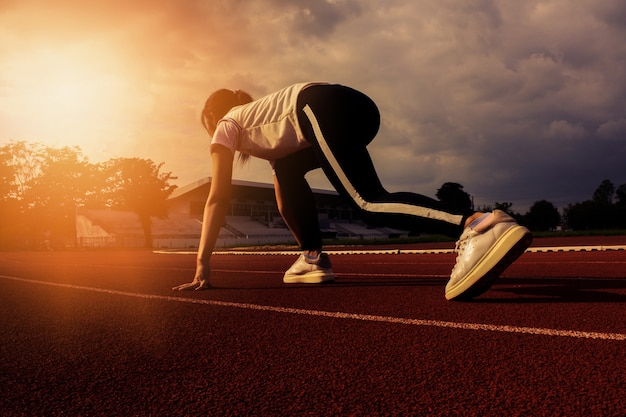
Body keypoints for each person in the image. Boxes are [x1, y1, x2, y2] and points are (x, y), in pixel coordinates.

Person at [172, 82, 532, 300]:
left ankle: (478, 224)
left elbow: (218, 196)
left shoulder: (227, 123)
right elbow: (286, 197)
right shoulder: (264, 127)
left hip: (319, 106)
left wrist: (202, 264)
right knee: (291, 168)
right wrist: (307, 249)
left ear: (210, 116)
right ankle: (313, 258)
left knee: (367, 203)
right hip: (355, 108)